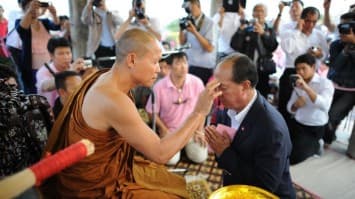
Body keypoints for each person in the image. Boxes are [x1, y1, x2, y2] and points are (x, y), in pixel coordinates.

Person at [41, 29, 221, 198]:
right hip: (96, 186)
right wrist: (198, 112)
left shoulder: (102, 76)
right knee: (175, 193)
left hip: (111, 166)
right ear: (132, 60)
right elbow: (160, 154)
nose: (159, 69)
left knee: (173, 182)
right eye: (155, 61)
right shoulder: (113, 100)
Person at [205, 53, 295, 199]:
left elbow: (264, 186)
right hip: (234, 187)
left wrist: (224, 152)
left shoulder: (271, 129)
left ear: (245, 86)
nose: (216, 93)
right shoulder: (226, 108)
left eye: (222, 87)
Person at [145, 52, 207, 165]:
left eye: (185, 62)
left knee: (200, 157)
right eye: (178, 63)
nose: (183, 66)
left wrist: (199, 130)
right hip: (171, 132)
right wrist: (163, 130)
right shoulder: (159, 87)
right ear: (169, 67)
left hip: (191, 131)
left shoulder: (197, 83)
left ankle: (185, 148)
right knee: (170, 161)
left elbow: (203, 109)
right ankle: (180, 150)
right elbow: (151, 112)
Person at [279, 6, 328, 125]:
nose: (310, 24)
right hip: (292, 72)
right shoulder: (289, 32)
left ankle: (299, 135)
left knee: (306, 106)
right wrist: (297, 30)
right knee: (286, 106)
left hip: (311, 75)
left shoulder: (319, 35)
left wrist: (320, 54)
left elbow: (325, 55)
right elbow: (288, 48)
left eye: (314, 22)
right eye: (307, 20)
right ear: (301, 19)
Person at [287, 53, 334, 164]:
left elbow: (325, 105)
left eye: (304, 68)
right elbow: (289, 107)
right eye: (298, 69)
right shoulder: (297, 84)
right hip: (298, 123)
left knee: (294, 158)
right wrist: (295, 106)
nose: (300, 72)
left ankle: (317, 144)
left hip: (315, 127)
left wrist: (306, 88)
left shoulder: (325, 84)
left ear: (313, 67)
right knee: (280, 148)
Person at [230, 3, 278, 97]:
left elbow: (273, 47)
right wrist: (240, 31)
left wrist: (263, 33)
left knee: (261, 96)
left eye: (262, 11)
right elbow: (234, 45)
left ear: (266, 14)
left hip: (263, 70)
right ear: (252, 14)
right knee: (244, 95)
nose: (259, 13)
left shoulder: (270, 30)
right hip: (246, 69)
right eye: (256, 11)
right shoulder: (246, 29)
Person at [323, 12, 355, 147]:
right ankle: (328, 139)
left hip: (351, 90)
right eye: (341, 26)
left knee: (333, 115)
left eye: (347, 27)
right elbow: (335, 65)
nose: (343, 30)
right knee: (327, 116)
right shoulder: (336, 44)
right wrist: (346, 50)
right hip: (333, 85)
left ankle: (328, 140)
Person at [16, 0, 60, 94]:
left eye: (36, 7)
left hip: (49, 65)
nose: (34, 10)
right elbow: (21, 29)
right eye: (30, 7)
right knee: (35, 93)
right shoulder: (20, 22)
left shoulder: (44, 22)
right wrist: (30, 11)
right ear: (24, 9)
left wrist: (54, 13)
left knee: (50, 92)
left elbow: (56, 26)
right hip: (32, 69)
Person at [36, 37, 85, 107]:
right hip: (50, 111)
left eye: (68, 53)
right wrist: (70, 72)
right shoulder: (43, 71)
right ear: (51, 55)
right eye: (61, 54)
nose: (66, 57)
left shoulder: (75, 68)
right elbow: (45, 86)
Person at [179, 0, 216, 85]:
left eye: (190, 7)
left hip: (204, 68)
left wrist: (194, 32)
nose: (188, 10)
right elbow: (182, 42)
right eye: (186, 8)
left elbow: (209, 48)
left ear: (198, 5)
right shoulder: (189, 21)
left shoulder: (210, 23)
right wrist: (181, 29)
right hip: (190, 65)